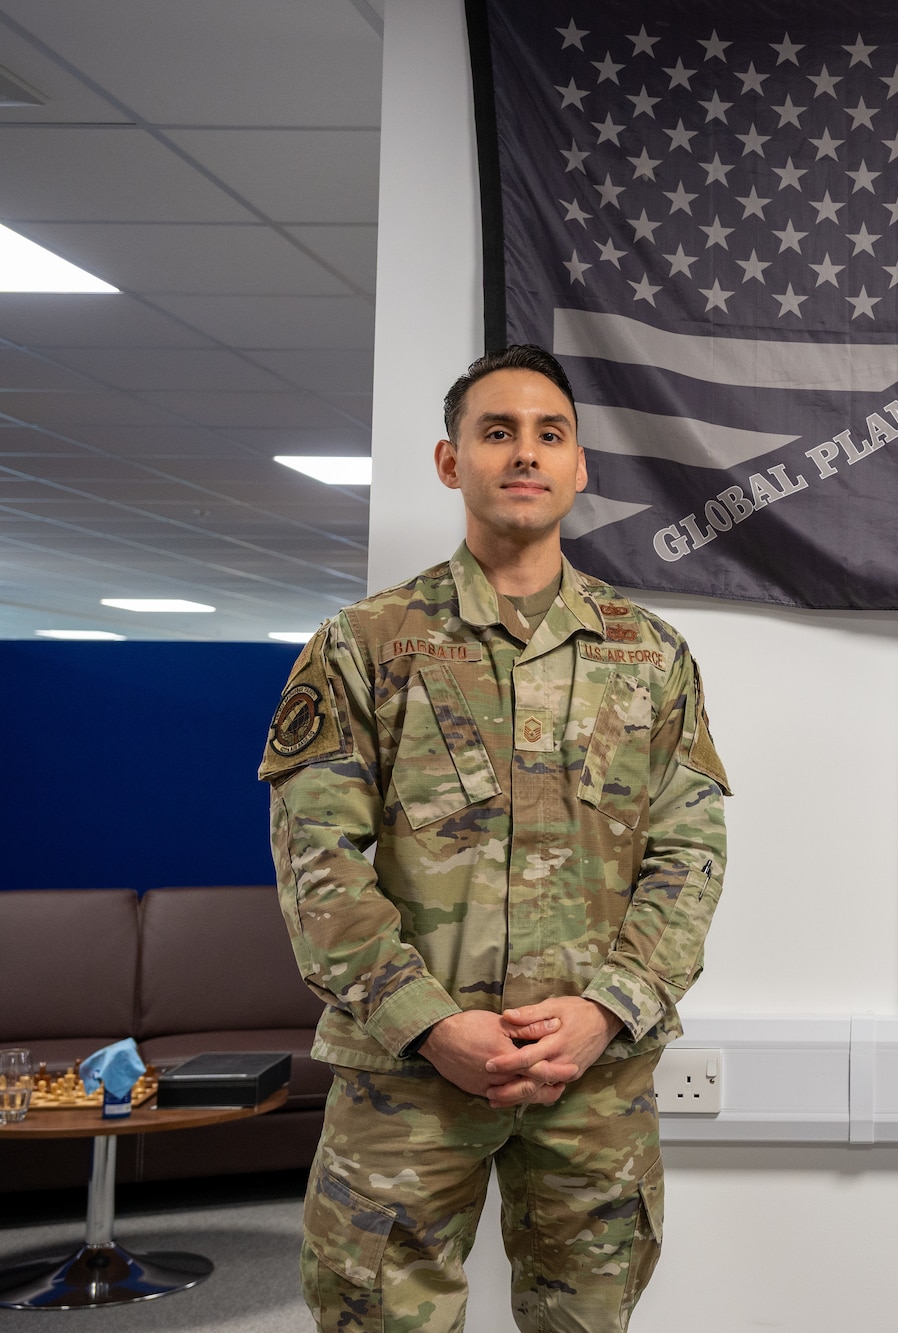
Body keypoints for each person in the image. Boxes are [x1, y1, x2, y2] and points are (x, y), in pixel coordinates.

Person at [260, 344, 730, 1332]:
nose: (525, 453)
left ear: (579, 467)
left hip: (590, 1080)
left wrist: (609, 1009)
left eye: (548, 434)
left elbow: (688, 856)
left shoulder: (649, 655)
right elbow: (319, 865)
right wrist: (428, 1021)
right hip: (406, 1080)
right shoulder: (365, 645)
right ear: (449, 461)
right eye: (497, 431)